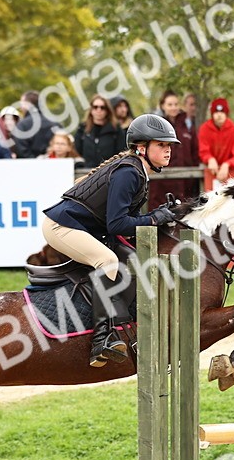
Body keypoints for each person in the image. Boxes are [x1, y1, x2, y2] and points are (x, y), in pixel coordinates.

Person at [42, 114, 180, 367]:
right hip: (62, 227)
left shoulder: (137, 170)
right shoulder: (129, 172)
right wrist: (153, 219)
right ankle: (101, 340)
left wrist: (156, 217)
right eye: (161, 144)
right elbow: (117, 225)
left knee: (136, 262)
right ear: (141, 147)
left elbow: (126, 222)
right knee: (107, 261)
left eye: (169, 145)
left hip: (86, 228)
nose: (168, 150)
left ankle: (125, 325)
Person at [148, 89, 199, 206]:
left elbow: (194, 151)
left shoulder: (187, 125)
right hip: (162, 181)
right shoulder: (156, 126)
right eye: (170, 104)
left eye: (176, 104)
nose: (173, 107)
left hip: (186, 180)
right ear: (163, 106)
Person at [198, 97, 234, 182]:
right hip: (209, 173)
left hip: (232, 174)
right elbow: (203, 151)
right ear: (212, 114)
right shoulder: (204, 129)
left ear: (226, 113)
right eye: (216, 112)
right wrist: (210, 159)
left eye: (222, 112)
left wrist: (227, 164)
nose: (219, 115)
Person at [74, 94, 125, 169]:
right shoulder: (82, 129)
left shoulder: (116, 129)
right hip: (87, 171)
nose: (99, 110)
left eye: (102, 107)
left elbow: (121, 151)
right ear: (91, 109)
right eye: (95, 107)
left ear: (107, 110)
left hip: (109, 171)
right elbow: (77, 149)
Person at [13, 91, 57, 158]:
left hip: (28, 166)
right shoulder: (55, 124)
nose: (20, 107)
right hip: (54, 165)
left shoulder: (22, 126)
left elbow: (21, 152)